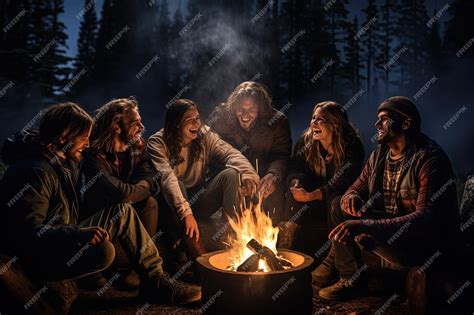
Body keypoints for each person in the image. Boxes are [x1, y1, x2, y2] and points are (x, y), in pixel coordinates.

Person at [0, 103, 200, 305]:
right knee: (104, 252)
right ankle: (73, 279)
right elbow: (28, 234)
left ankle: (155, 281)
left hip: (64, 233)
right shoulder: (34, 171)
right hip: (42, 254)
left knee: (122, 211)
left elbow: (147, 177)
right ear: (63, 137)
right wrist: (78, 234)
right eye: (83, 137)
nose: (87, 144)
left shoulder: (63, 160)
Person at [314, 96, 461, 301]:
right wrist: (352, 196)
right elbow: (354, 187)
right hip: (392, 231)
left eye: (384, 119)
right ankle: (352, 279)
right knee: (338, 204)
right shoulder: (379, 155)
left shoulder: (429, 158)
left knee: (361, 226)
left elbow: (424, 220)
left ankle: (404, 277)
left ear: (406, 123)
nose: (377, 124)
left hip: (422, 244)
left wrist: (367, 225)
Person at [147, 99, 260, 262]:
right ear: (176, 123)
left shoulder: (205, 136)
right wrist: (186, 213)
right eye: (189, 120)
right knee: (177, 183)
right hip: (172, 204)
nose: (196, 123)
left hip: (198, 199)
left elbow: (231, 154)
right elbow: (167, 179)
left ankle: (231, 238)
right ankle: (191, 255)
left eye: (198, 118)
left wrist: (249, 176)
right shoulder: (157, 142)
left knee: (231, 174)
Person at [79, 97, 159, 289]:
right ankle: (92, 270)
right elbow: (118, 193)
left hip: (126, 207)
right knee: (125, 205)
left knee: (150, 204)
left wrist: (139, 189)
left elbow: (152, 178)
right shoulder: (92, 154)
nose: (142, 126)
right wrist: (140, 189)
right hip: (97, 216)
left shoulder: (138, 146)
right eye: (134, 123)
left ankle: (134, 270)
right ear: (116, 126)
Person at [285, 101, 364, 252]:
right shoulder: (306, 141)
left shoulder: (352, 145)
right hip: (312, 198)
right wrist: (296, 182)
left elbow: (342, 181)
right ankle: (288, 239)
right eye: (313, 118)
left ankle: (336, 252)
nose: (314, 123)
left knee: (336, 197)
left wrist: (311, 196)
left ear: (335, 125)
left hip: (337, 201)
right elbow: (295, 166)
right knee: (297, 184)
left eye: (320, 120)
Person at [208, 81, 292, 223]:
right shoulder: (220, 118)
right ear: (233, 106)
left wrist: (273, 175)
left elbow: (281, 155)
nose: (245, 114)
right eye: (240, 108)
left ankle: (273, 237)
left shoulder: (277, 121)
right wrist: (236, 179)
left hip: (263, 181)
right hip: (232, 177)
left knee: (276, 189)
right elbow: (212, 153)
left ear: (261, 109)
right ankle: (230, 236)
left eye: (252, 108)